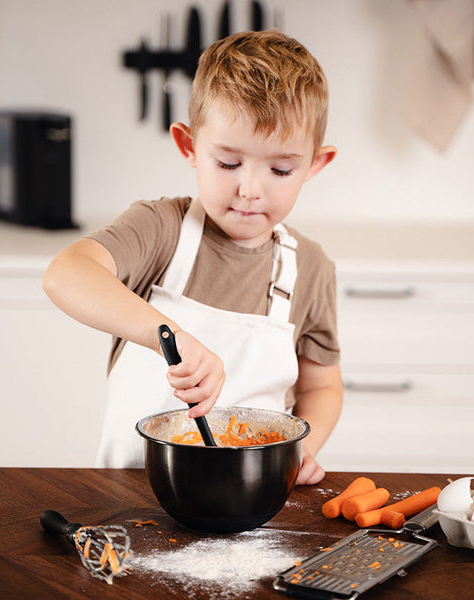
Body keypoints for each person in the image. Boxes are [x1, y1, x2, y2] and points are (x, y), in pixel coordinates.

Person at [43, 30, 342, 485]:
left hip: (251, 502)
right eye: (228, 163)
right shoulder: (160, 230)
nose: (250, 189)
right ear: (189, 147)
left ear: (314, 166)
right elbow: (65, 274)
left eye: (281, 169)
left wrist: (304, 446)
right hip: (131, 494)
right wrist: (169, 335)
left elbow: (321, 386)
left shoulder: (311, 269)